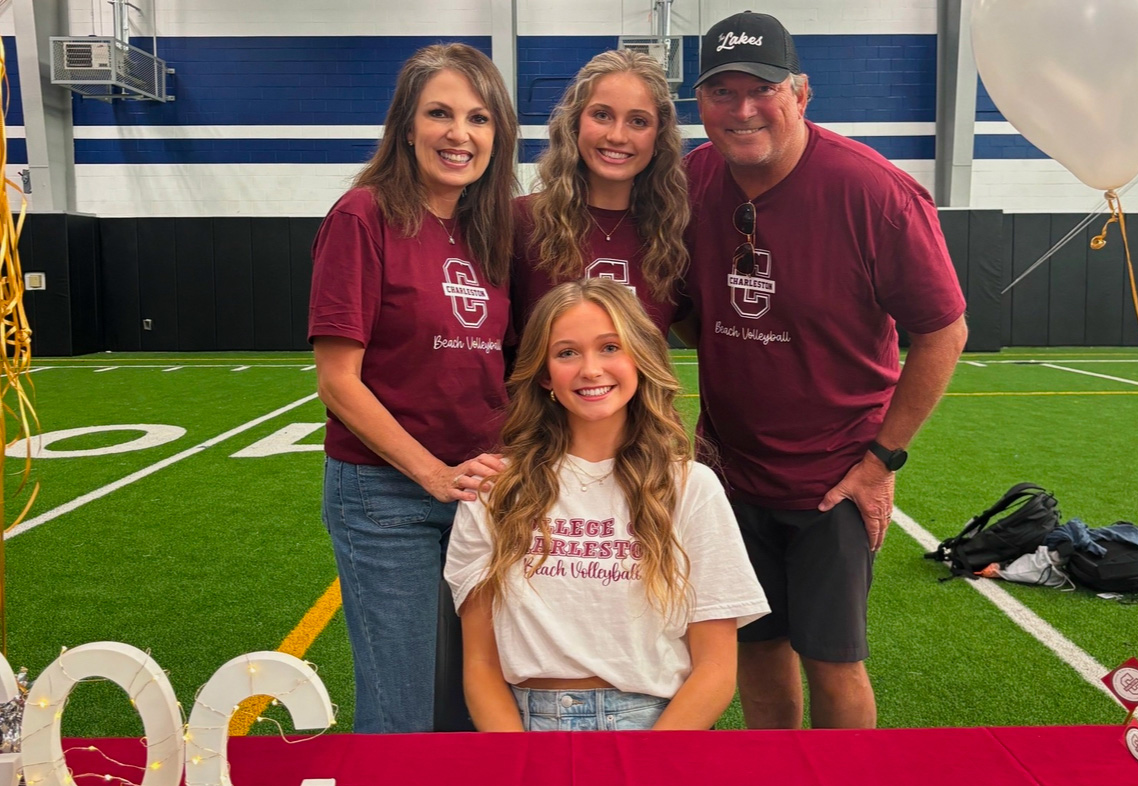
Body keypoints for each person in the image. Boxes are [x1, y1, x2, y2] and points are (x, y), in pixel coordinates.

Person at [682, 11, 968, 730]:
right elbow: (685, 306)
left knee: (833, 663)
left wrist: (879, 460)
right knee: (755, 650)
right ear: (700, 104)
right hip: (728, 472)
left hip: (832, 480)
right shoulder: (691, 182)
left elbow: (942, 332)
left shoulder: (875, 194)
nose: (743, 109)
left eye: (763, 89)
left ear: (800, 95)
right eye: (723, 92)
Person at [444, 279, 769, 731]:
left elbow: (715, 670)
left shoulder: (691, 486)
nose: (590, 369)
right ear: (543, 374)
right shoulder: (495, 490)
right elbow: (479, 665)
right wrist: (521, 765)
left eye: (610, 347)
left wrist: (645, 768)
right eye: (566, 353)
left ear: (639, 356)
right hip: (526, 727)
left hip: (658, 728)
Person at [307, 43, 518, 733]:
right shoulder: (362, 216)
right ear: (405, 126)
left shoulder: (492, 230)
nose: (460, 134)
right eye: (440, 113)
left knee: (476, 701)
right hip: (386, 495)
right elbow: (339, 383)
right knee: (403, 708)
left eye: (479, 118)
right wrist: (429, 473)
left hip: (479, 492)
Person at [513, 49, 690, 337]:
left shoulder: (672, 237)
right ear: (575, 124)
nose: (617, 136)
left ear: (659, 137)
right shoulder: (520, 223)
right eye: (602, 115)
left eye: (639, 121)